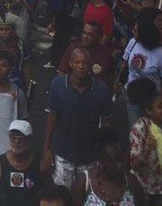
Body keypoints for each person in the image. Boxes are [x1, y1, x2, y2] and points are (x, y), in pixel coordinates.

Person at [43, 47, 113, 190]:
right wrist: (46, 147)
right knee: (63, 194)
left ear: (90, 65)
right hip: (63, 153)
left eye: (85, 63)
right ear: (70, 64)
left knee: (87, 195)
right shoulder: (58, 85)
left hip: (90, 155)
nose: (81, 66)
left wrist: (104, 151)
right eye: (77, 62)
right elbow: (52, 116)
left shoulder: (101, 90)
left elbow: (106, 123)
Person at [126, 78, 162, 204]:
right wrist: (148, 148)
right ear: (149, 110)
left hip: (159, 185)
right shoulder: (139, 128)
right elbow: (134, 165)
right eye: (160, 107)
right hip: (142, 188)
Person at [0, 120, 45, 206]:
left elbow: (48, 197)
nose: (17, 141)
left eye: (21, 137)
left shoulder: (41, 165)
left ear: (29, 139)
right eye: (13, 137)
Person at [71, 130, 138, 206]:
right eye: (113, 161)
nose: (119, 165)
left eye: (120, 160)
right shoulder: (83, 182)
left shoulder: (131, 181)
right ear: (101, 161)